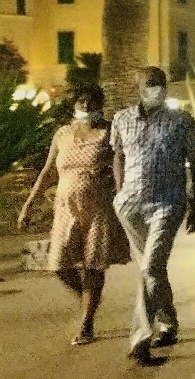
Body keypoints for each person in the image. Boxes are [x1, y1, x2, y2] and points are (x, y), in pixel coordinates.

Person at [18, 85, 130, 345]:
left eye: (92, 101)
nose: (86, 105)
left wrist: (123, 194)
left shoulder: (109, 131)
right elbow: (48, 172)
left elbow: (121, 164)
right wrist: (28, 204)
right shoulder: (63, 134)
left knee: (93, 264)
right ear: (74, 104)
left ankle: (86, 323)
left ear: (100, 104)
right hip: (66, 209)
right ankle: (88, 299)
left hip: (99, 208)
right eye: (82, 101)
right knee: (58, 264)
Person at [111, 67, 195, 367]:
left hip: (167, 203)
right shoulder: (121, 119)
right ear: (137, 86)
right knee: (152, 269)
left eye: (162, 84)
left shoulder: (181, 120)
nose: (158, 88)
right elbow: (118, 156)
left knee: (150, 266)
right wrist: (119, 192)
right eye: (151, 83)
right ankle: (168, 321)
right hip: (130, 206)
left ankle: (140, 339)